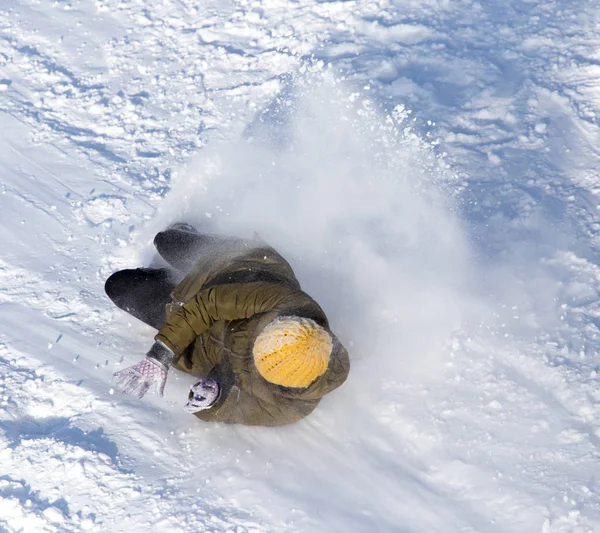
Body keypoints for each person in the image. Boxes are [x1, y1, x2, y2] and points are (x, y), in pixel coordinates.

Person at [104, 224, 350, 426]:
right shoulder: (283, 302)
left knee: (119, 285)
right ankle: (182, 257)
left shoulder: (288, 407)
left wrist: (214, 399)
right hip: (229, 265)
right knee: (166, 240)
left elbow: (233, 410)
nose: (254, 344)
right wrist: (161, 352)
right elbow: (207, 304)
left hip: (196, 344)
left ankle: (165, 283)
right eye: (263, 336)